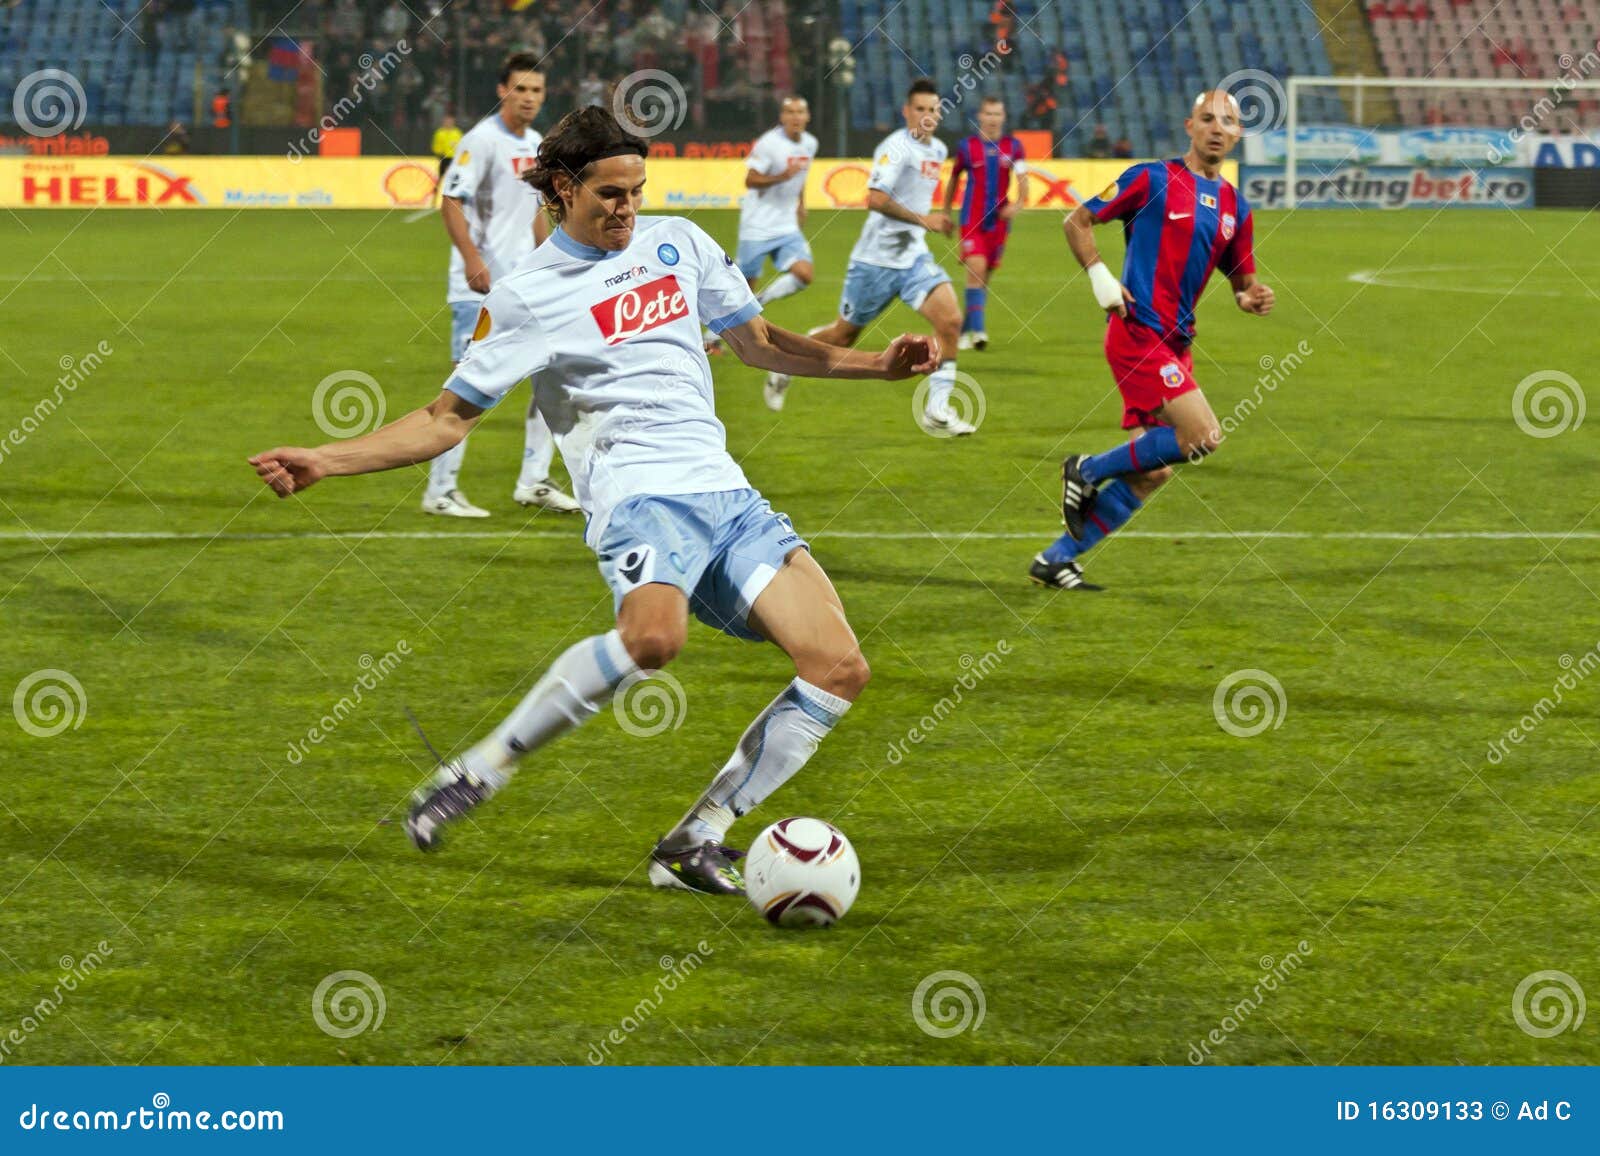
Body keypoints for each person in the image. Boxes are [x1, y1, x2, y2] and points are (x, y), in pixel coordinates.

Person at [247, 106, 938, 894]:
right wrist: (326, 460)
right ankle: (482, 769)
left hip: (725, 490)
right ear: (563, 189)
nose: (628, 209)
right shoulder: (526, 296)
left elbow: (761, 342)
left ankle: (696, 837)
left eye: (638, 190)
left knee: (839, 666)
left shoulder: (678, 243)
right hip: (638, 495)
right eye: (611, 194)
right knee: (653, 641)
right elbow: (444, 420)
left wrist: (878, 366)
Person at [1032, 90, 1274, 591]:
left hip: (1177, 343)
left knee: (1154, 470)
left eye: (1226, 122)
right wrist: (1099, 275)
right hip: (1137, 331)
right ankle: (1086, 468)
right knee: (1202, 437)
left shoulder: (1236, 207)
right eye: (1207, 118)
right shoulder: (1151, 178)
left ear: (1237, 134)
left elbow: (1242, 282)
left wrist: (1251, 297)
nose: (1216, 128)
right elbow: (1076, 221)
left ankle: (1055, 560)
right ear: (1189, 125)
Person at [765, 78, 970, 436]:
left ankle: (937, 410)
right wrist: (924, 219)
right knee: (843, 337)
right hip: (873, 264)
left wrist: (933, 222)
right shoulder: (895, 147)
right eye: (919, 109)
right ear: (906, 112)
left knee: (951, 321)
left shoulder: (937, 150)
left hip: (913, 258)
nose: (927, 116)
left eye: (933, 109)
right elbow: (874, 198)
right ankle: (784, 365)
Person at [430, 52, 579, 518]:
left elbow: (537, 212)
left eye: (536, 90)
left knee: (554, 380)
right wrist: (473, 260)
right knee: (467, 390)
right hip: (479, 289)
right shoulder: (482, 140)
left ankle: (533, 481)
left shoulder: (537, 143)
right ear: (503, 91)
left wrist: (549, 265)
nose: (529, 98)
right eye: (521, 89)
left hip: (525, 288)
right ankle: (440, 491)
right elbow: (451, 201)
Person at [703, 95, 818, 380]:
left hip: (786, 225)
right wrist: (781, 176)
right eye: (789, 112)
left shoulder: (810, 144)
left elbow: (800, 178)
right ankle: (710, 336)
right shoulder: (769, 143)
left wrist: (801, 203)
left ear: (807, 117)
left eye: (800, 112)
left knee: (804, 274)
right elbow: (750, 180)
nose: (795, 117)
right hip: (757, 225)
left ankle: (759, 300)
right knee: (741, 288)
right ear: (782, 117)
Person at [943, 95, 1029, 352]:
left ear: (1003, 117)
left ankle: (962, 332)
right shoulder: (967, 147)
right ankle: (979, 332)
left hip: (999, 224)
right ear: (979, 116)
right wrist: (946, 212)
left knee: (983, 279)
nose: (992, 119)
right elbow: (953, 179)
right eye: (988, 114)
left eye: (997, 114)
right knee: (975, 271)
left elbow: (1023, 178)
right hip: (971, 221)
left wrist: (1019, 204)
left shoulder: (1014, 147)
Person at [430, 111, 461, 206]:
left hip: (454, 159)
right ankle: (433, 201)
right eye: (447, 121)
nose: (448, 123)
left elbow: (461, 145)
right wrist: (438, 153)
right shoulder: (439, 133)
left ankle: (455, 200)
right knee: (440, 178)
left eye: (450, 121)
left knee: (455, 179)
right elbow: (436, 146)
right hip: (444, 158)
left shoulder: (457, 132)